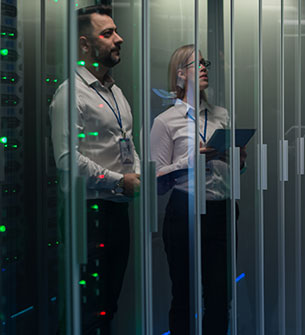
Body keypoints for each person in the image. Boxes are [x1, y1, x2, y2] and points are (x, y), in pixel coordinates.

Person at [49, 4, 139, 333]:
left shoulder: (116, 93)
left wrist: (137, 173)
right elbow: (66, 159)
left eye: (116, 31)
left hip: (116, 209)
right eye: (108, 33)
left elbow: (127, 142)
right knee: (84, 308)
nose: (120, 38)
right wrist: (120, 180)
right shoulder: (70, 94)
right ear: (85, 45)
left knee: (108, 306)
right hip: (86, 213)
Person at [150, 44, 245, 334]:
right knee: (184, 297)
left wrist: (236, 158)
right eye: (196, 64)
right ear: (180, 74)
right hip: (185, 212)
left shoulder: (221, 116)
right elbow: (156, 181)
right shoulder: (165, 121)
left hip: (221, 211)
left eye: (205, 63)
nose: (204, 68)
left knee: (219, 298)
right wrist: (190, 161)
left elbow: (238, 168)